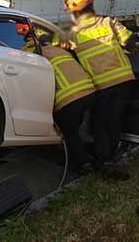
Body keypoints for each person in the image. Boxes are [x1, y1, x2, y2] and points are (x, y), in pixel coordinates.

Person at [63, 0, 135, 180]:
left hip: (102, 85)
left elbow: (59, 51)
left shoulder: (73, 33)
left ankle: (104, 161)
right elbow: (130, 41)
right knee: (115, 121)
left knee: (100, 125)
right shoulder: (109, 23)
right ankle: (110, 157)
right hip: (125, 80)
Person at [39, 33, 96, 175]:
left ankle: (82, 164)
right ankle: (91, 152)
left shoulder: (39, 54)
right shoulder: (61, 50)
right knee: (78, 127)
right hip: (89, 92)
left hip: (69, 98)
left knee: (70, 133)